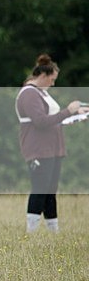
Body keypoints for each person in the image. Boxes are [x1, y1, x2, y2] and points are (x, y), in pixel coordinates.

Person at [15, 54, 88, 233]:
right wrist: (68, 110)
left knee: (50, 190)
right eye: (52, 80)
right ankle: (30, 232)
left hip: (52, 149)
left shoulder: (41, 93)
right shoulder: (29, 94)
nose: (53, 84)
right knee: (40, 189)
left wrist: (77, 113)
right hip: (39, 149)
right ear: (43, 76)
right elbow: (41, 121)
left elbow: (53, 118)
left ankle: (53, 231)